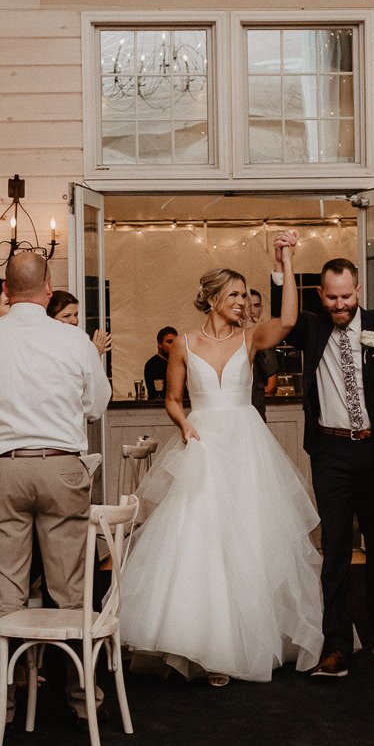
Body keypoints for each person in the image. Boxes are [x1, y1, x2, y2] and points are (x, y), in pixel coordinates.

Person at [118, 241, 322, 682]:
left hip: (246, 447)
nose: (243, 302)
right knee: (202, 540)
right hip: (204, 444)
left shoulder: (250, 339)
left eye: (245, 294)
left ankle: (246, 641)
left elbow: (289, 320)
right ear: (212, 299)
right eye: (234, 294)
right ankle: (205, 646)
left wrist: (287, 263)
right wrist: (183, 425)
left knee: (248, 539)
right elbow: (173, 399)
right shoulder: (183, 344)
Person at [0, 251, 111, 721]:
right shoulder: (73, 340)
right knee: (71, 592)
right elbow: (96, 406)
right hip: (60, 468)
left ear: (6, 290)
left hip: (0, 470)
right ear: (48, 288)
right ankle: (82, 701)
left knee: (3, 599)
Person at [275, 253, 374, 675]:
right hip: (331, 451)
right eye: (331, 298)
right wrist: (283, 264)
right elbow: (283, 318)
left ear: (358, 290)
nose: (339, 305)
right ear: (321, 294)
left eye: (346, 297)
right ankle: (336, 642)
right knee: (335, 545)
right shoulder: (312, 327)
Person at [46, 290, 112, 356]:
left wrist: (94, 353)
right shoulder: (48, 344)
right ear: (50, 318)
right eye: (66, 316)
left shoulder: (77, 341)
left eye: (76, 315)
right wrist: (93, 353)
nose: (75, 321)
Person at [247, 287, 280, 419]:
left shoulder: (264, 336)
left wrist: (259, 334)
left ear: (261, 309)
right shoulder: (230, 335)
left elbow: (272, 383)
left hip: (255, 407)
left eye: (256, 306)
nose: (252, 311)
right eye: (248, 305)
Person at [143, 327, 178, 399]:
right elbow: (155, 395)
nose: (173, 345)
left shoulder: (179, 363)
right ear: (159, 344)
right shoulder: (152, 365)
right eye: (169, 342)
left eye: (175, 342)